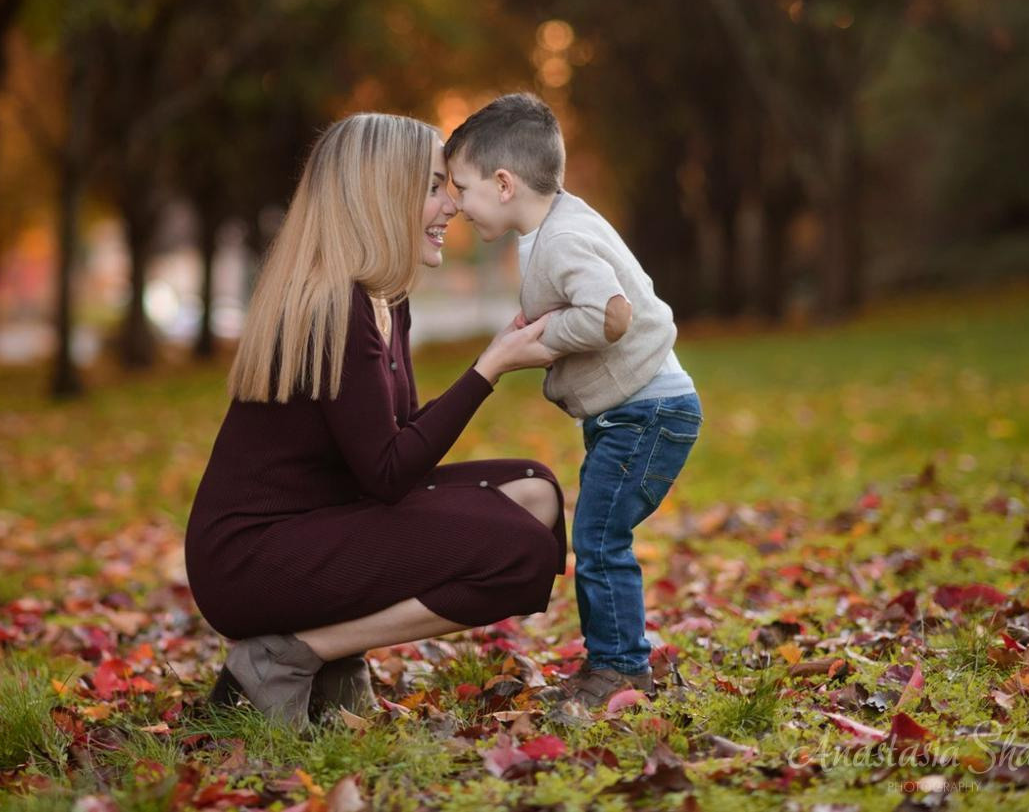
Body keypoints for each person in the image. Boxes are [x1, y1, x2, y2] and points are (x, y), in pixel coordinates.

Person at [185, 112, 567, 731]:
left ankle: (326, 661)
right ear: (379, 197)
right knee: (519, 551)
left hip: (322, 525)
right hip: (251, 559)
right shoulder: (333, 307)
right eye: (434, 187)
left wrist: (493, 361)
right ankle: (292, 656)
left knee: (534, 491)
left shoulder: (385, 299)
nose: (452, 205)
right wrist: (487, 369)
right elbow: (389, 475)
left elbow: (394, 447)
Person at [444, 93, 703, 708]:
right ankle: (614, 660)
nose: (454, 205)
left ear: (503, 184)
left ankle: (620, 669)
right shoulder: (557, 223)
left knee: (598, 536)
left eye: (461, 188)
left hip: (647, 413)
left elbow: (611, 313)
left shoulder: (557, 239)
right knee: (597, 533)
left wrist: (543, 343)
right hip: (634, 410)